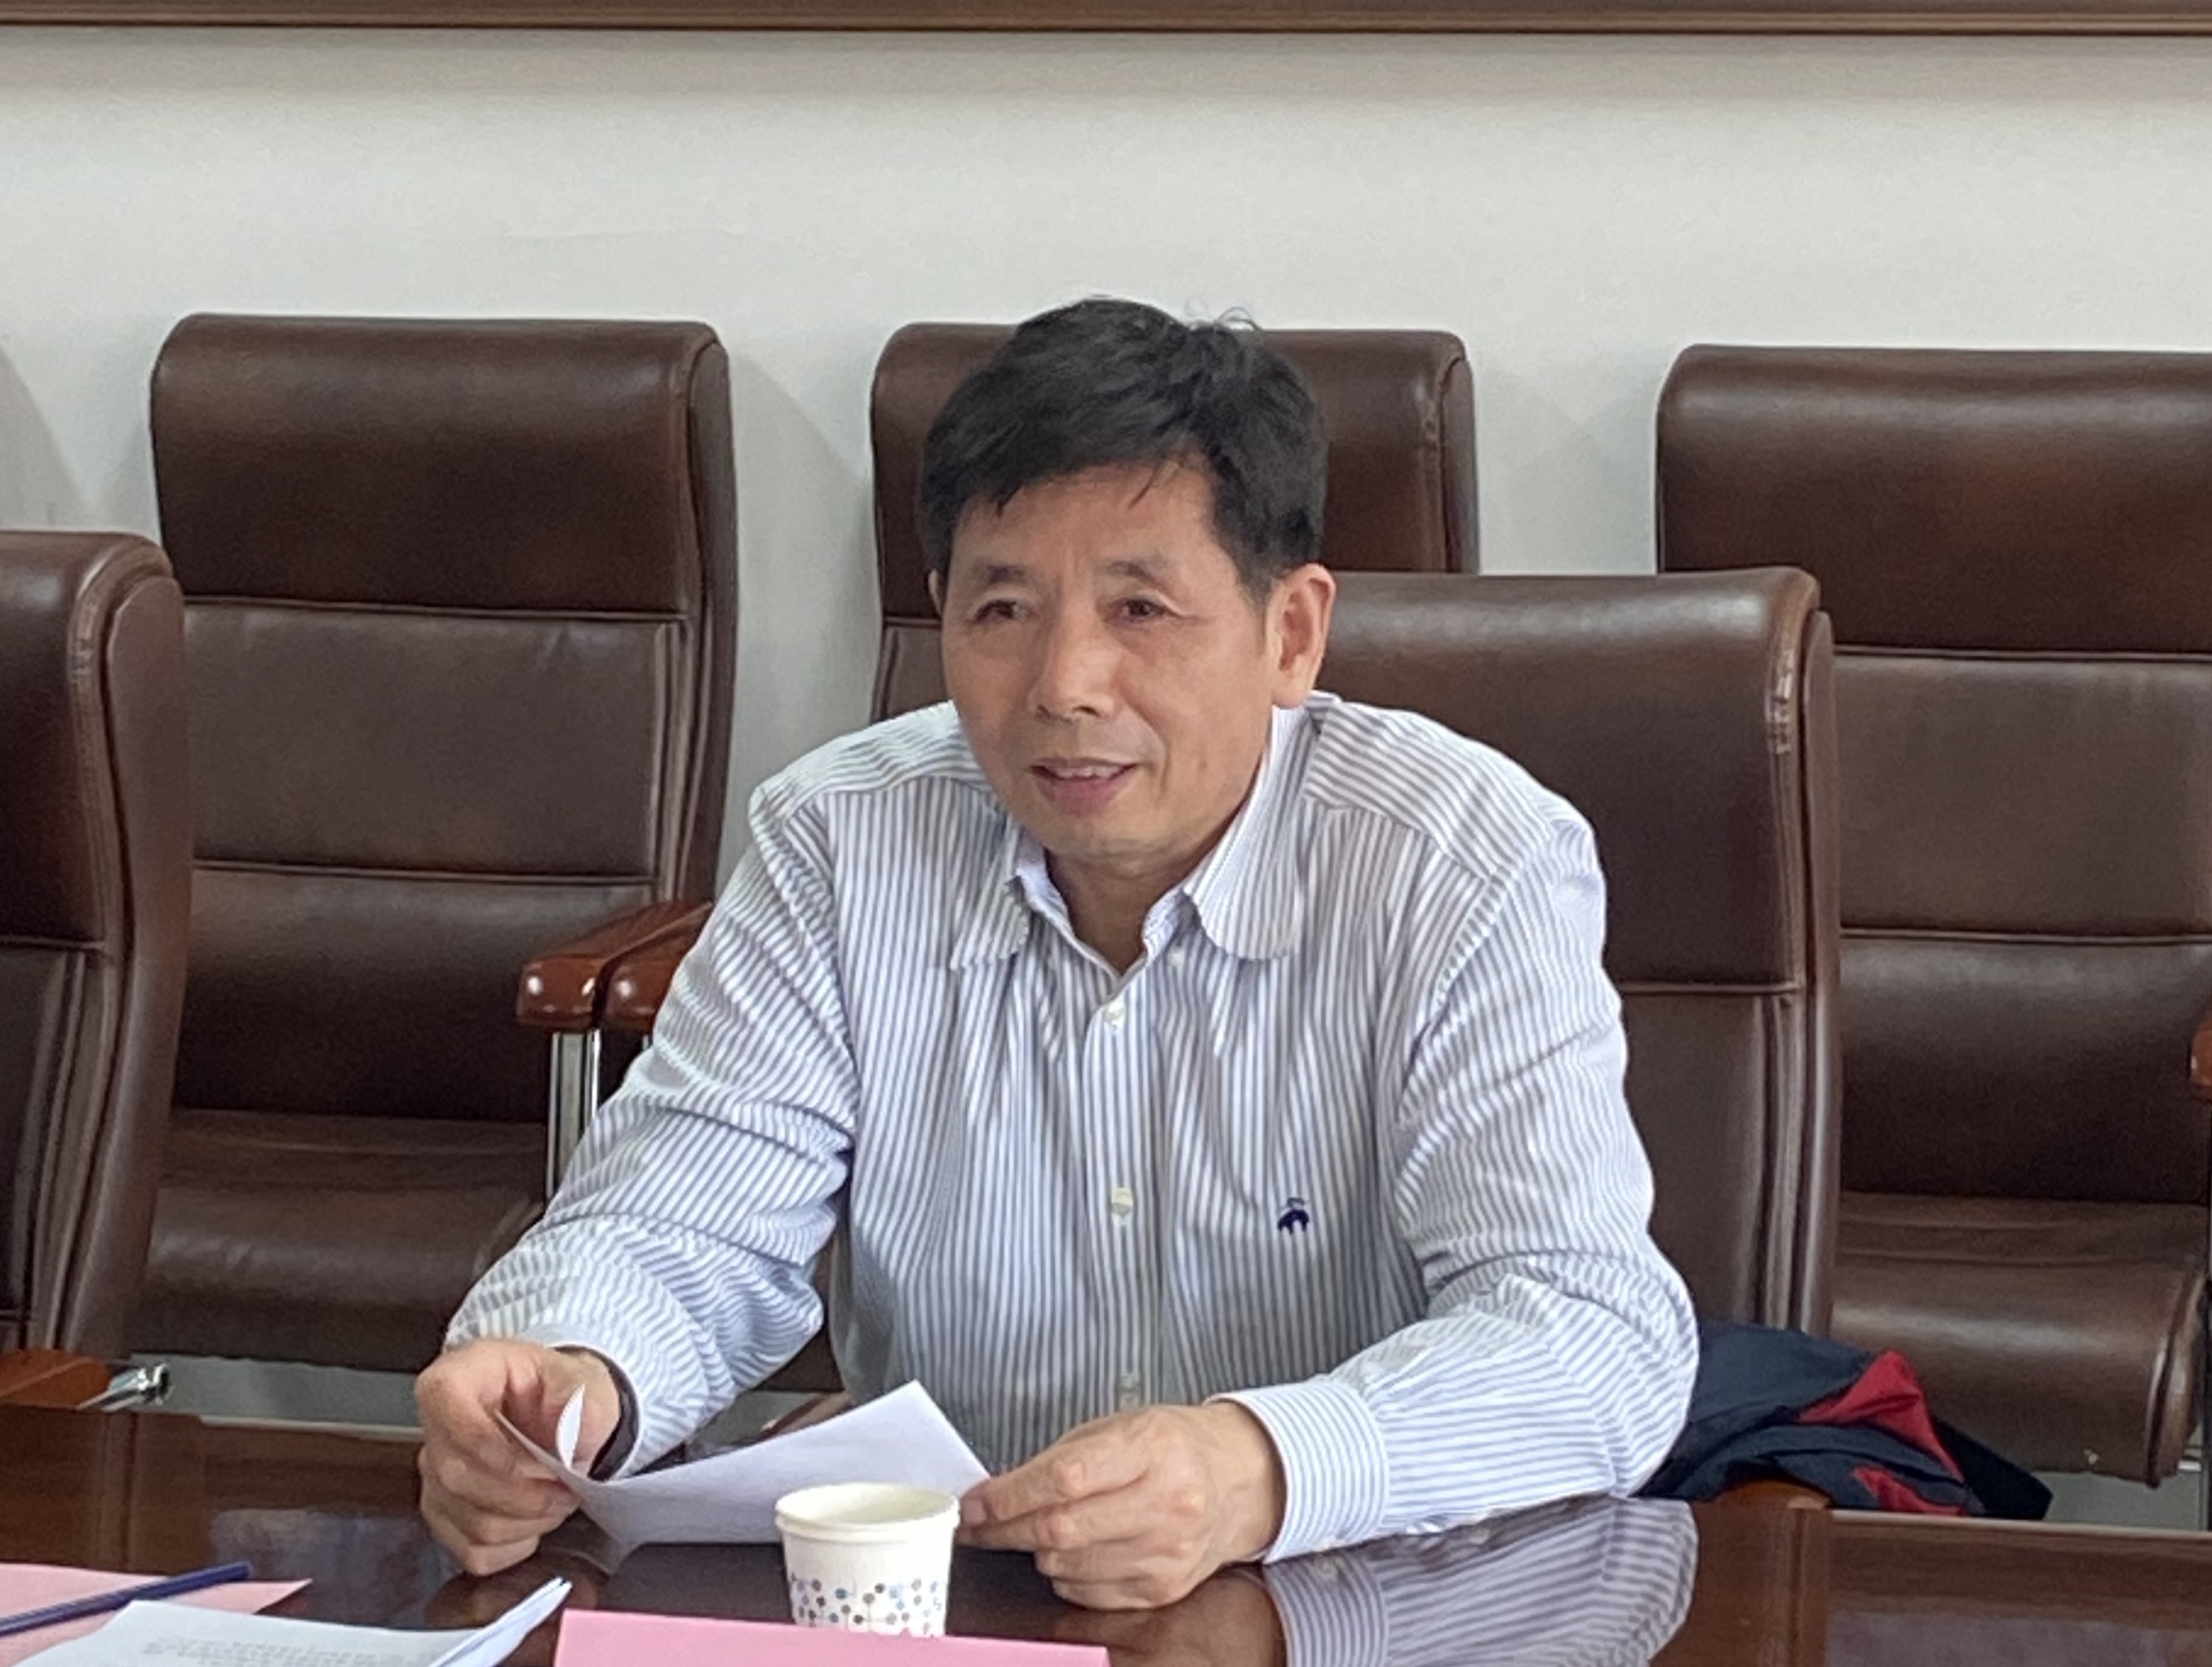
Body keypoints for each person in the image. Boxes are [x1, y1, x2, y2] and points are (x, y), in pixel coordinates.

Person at [417, 297, 1698, 1612]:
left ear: (1291, 634)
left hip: (1362, 1603)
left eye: (1142, 607)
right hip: (966, 1603)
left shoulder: (1459, 863)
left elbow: (1590, 1335)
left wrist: (1258, 1465)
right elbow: (681, 1216)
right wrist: (572, 1373)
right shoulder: (839, 845)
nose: (1065, 683)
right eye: (1004, 610)